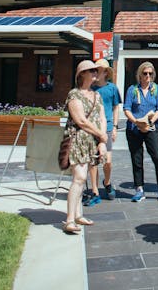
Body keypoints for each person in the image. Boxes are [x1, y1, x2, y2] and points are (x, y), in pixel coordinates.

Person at [62, 60, 108, 234]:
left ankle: (78, 214)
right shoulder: (74, 94)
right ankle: (69, 219)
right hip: (77, 140)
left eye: (96, 70)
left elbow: (102, 118)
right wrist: (101, 135)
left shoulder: (97, 95)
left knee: (83, 179)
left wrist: (102, 141)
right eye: (91, 70)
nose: (95, 73)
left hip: (93, 141)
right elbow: (80, 120)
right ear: (82, 74)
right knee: (79, 177)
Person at [122, 61, 158, 202]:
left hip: (151, 128)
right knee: (137, 160)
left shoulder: (157, 89)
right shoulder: (132, 90)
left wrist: (148, 122)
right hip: (134, 129)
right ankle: (139, 189)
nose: (148, 76)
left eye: (150, 73)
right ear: (140, 75)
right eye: (145, 73)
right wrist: (136, 122)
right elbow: (127, 108)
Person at [83, 58, 121, 205]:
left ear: (106, 72)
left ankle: (107, 181)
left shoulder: (112, 88)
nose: (96, 72)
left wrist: (116, 127)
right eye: (94, 70)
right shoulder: (89, 88)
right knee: (94, 161)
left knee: (107, 162)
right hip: (92, 128)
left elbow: (116, 106)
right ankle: (94, 190)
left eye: (98, 70)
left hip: (108, 128)